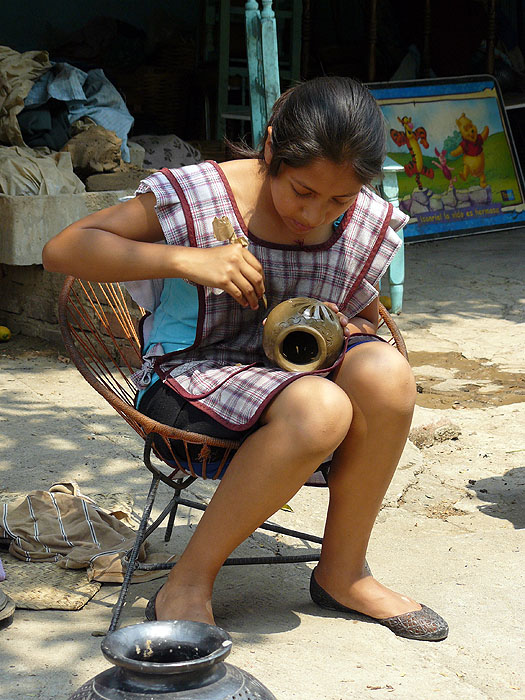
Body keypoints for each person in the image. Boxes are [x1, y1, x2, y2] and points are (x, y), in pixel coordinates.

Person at [43, 76, 448, 642]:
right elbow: (62, 249)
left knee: (385, 374)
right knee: (320, 409)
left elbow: (353, 302)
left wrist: (352, 321)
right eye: (303, 191)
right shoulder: (202, 196)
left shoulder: (362, 219)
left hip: (295, 373)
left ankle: (343, 571)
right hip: (191, 380)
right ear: (272, 148)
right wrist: (186, 260)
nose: (316, 213)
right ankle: (186, 583)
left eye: (339, 199)